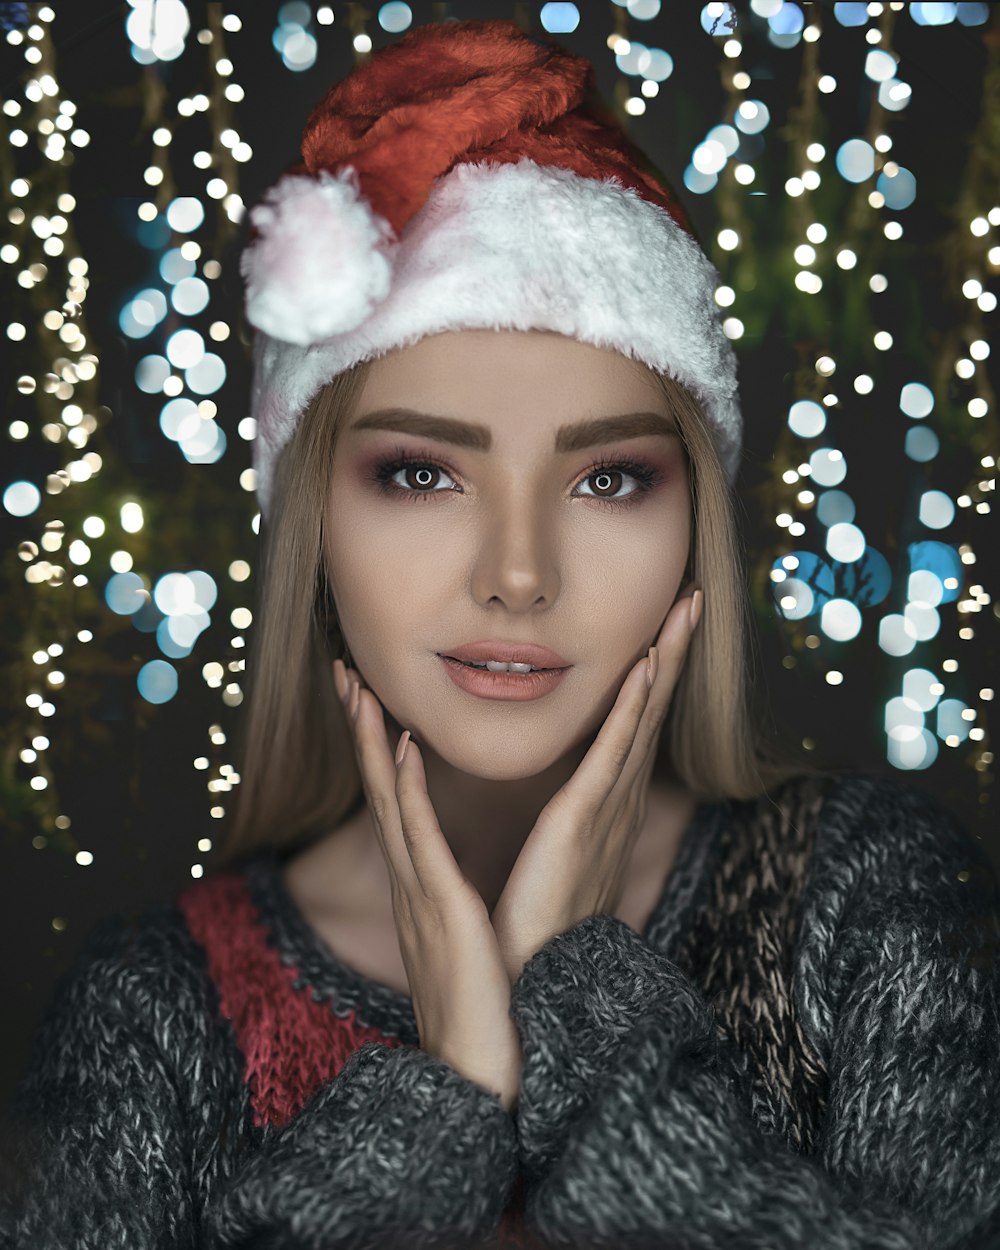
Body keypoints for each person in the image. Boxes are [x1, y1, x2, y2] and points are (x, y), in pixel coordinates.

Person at [3, 17, 999, 1250]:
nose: (519, 573)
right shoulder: (153, 1006)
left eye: (608, 479)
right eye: (422, 474)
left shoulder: (873, 899)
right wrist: (447, 1098)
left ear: (693, 512)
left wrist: (580, 991)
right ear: (316, 513)